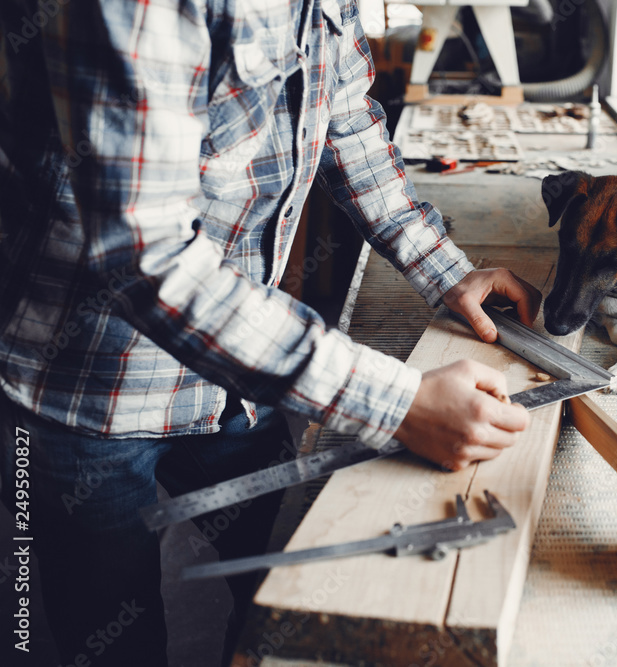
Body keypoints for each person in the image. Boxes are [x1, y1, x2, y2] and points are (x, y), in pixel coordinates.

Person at [0, 1, 541, 665]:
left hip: (235, 369)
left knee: (283, 609)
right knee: (114, 642)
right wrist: (397, 401)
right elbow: (147, 254)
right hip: (81, 392)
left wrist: (447, 271)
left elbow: (349, 125)